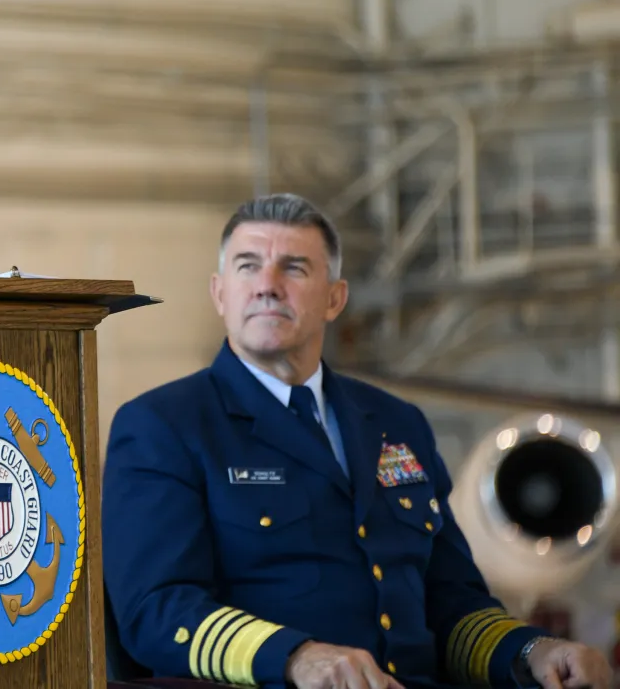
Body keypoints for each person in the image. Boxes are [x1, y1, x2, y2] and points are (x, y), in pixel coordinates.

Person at [102, 193, 611, 689]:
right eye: (247, 266)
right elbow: (156, 611)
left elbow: (452, 604)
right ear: (219, 293)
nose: (267, 286)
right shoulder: (164, 426)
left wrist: (532, 651)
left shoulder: (397, 423)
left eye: (294, 268)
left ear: (335, 298)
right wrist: (295, 659)